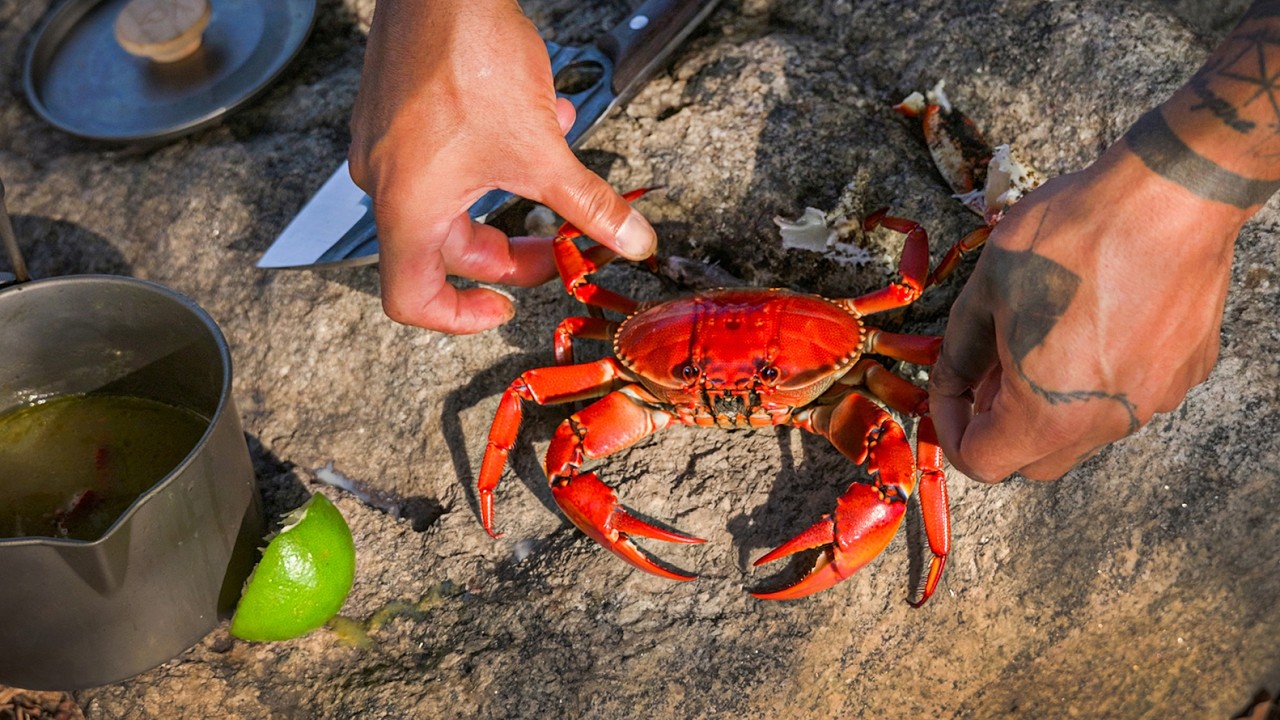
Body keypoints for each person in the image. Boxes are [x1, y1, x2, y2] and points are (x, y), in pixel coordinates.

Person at [346, 0, 1280, 484]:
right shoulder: (617, 348)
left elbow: (911, 347)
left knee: (902, 457)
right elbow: (560, 346)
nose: (735, 408)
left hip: (824, 367)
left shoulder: (865, 368)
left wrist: (1186, 190)